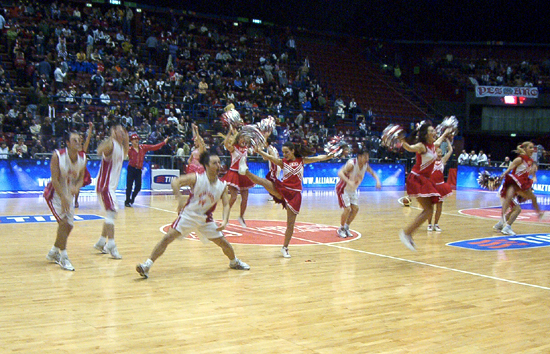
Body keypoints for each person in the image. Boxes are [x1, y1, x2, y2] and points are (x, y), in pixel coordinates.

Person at [136, 151, 250, 278]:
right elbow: (175, 182)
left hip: (206, 219)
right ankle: (147, 265)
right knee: (167, 238)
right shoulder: (196, 178)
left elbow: (226, 204)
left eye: (219, 162)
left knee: (224, 243)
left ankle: (234, 262)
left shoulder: (222, 185)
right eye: (214, 163)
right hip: (188, 215)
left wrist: (225, 220)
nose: (218, 165)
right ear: (207, 166)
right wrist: (179, 199)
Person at [238, 142, 335, 258]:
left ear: (293, 151)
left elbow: (317, 158)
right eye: (283, 152)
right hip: (283, 190)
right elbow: (270, 157)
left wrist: (329, 156)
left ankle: (285, 247)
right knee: (264, 182)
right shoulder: (283, 162)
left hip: (295, 195)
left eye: (287, 152)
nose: (284, 154)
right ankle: (245, 171)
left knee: (290, 225)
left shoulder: (301, 160)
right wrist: (259, 151)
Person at [397, 124, 453, 251]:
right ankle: (406, 233)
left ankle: (408, 233)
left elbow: (441, 138)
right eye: (432, 131)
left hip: (424, 180)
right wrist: (402, 141)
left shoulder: (433, 146)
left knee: (428, 210)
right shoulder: (421, 146)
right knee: (428, 210)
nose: (435, 132)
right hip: (417, 178)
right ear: (426, 134)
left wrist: (446, 133)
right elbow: (410, 148)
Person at [44, 132, 87, 271]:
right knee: (63, 223)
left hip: (68, 194)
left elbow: (81, 178)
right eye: (74, 140)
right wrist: (63, 197)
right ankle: (64, 257)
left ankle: (53, 251)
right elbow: (55, 179)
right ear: (67, 143)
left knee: (69, 226)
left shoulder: (83, 158)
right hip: (55, 193)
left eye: (79, 140)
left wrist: (77, 186)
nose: (78, 142)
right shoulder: (58, 156)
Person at [93, 125, 129, 259]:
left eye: (123, 131)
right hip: (105, 186)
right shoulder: (112, 145)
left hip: (109, 187)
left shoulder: (121, 148)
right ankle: (111, 245)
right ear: (114, 132)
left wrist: (125, 136)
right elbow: (99, 150)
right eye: (120, 131)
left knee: (110, 214)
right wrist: (111, 137)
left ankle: (101, 242)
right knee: (112, 212)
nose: (123, 133)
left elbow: (126, 147)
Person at [498, 141, 543, 234]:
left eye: (533, 147)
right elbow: (510, 169)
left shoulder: (529, 161)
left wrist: (533, 173)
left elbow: (526, 173)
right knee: (517, 209)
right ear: (525, 149)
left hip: (519, 186)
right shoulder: (520, 159)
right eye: (530, 147)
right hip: (512, 185)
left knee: (528, 201)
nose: (532, 149)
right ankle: (507, 227)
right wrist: (502, 176)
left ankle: (500, 224)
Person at [335, 149, 381, 238]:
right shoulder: (351, 164)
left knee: (355, 209)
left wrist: (377, 181)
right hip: (343, 188)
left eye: (367, 156)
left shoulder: (365, 166)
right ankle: (341, 228)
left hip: (352, 190)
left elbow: (372, 173)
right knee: (347, 209)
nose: (367, 158)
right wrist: (349, 181)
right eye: (365, 156)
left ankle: (346, 227)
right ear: (359, 157)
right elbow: (340, 173)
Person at [221, 126, 254, 227]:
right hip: (233, 174)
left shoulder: (246, 148)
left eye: (245, 138)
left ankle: (241, 216)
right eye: (242, 138)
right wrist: (229, 132)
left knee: (245, 199)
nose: (243, 140)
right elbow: (226, 144)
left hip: (244, 174)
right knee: (234, 197)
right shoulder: (233, 147)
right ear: (238, 139)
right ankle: (225, 216)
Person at [125, 134, 168, 207]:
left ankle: (132, 198)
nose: (136, 141)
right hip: (131, 168)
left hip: (138, 169)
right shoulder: (129, 149)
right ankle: (127, 201)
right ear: (131, 141)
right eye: (135, 139)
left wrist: (163, 143)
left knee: (138, 186)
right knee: (129, 186)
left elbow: (154, 147)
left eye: (137, 139)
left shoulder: (143, 148)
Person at [427, 138, 454, 232]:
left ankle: (436, 224)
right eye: (438, 152)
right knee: (430, 207)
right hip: (431, 187)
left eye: (441, 152)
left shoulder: (443, 160)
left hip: (440, 186)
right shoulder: (430, 160)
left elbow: (450, 151)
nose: (440, 154)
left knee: (439, 206)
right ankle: (429, 224)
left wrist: (447, 140)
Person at [75, 122, 94, 208]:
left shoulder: (83, 148)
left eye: (82, 138)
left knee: (77, 186)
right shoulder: (73, 148)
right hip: (74, 169)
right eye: (79, 138)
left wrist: (90, 128)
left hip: (82, 170)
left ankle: (75, 201)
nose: (81, 139)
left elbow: (88, 138)